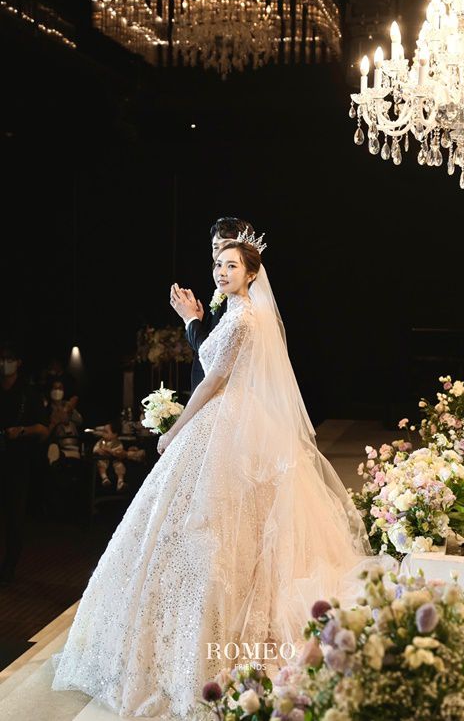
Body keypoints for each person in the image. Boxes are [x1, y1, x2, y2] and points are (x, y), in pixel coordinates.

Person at [51, 231, 372, 720]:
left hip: (223, 420)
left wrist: (175, 429)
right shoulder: (242, 313)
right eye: (218, 264)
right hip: (233, 419)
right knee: (204, 527)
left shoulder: (243, 318)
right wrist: (195, 322)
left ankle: (201, 650)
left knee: (211, 528)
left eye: (232, 265)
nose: (221, 272)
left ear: (251, 274)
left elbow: (214, 379)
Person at [170, 216, 255, 392]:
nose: (220, 253)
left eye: (227, 246)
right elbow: (211, 348)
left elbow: (213, 360)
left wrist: (190, 318)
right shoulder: (225, 293)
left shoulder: (244, 303)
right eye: (216, 247)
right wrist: (198, 322)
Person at [0, 341, 49, 586]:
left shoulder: (28, 394)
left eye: (8, 359)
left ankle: (8, 568)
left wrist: (21, 431)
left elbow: (43, 429)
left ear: (18, 363)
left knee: (14, 517)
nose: (4, 364)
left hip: (17, 461)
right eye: (1, 359)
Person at [92, 419, 128, 492]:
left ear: (115, 434)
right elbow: (95, 449)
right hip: (103, 460)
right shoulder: (101, 441)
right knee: (101, 465)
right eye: (103, 431)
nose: (103, 433)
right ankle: (105, 478)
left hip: (115, 461)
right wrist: (98, 451)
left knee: (120, 467)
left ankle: (120, 482)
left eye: (106, 432)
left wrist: (109, 451)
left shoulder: (117, 443)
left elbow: (118, 451)